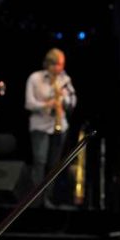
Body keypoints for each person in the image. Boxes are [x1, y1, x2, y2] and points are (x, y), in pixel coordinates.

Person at [25, 48, 77, 208]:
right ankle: (35, 199)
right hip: (40, 125)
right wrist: (47, 104)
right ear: (48, 64)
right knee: (40, 161)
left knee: (54, 165)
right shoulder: (35, 78)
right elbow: (29, 103)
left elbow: (73, 102)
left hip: (59, 126)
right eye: (56, 65)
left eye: (62, 65)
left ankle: (48, 198)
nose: (59, 69)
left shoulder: (65, 80)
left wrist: (64, 101)